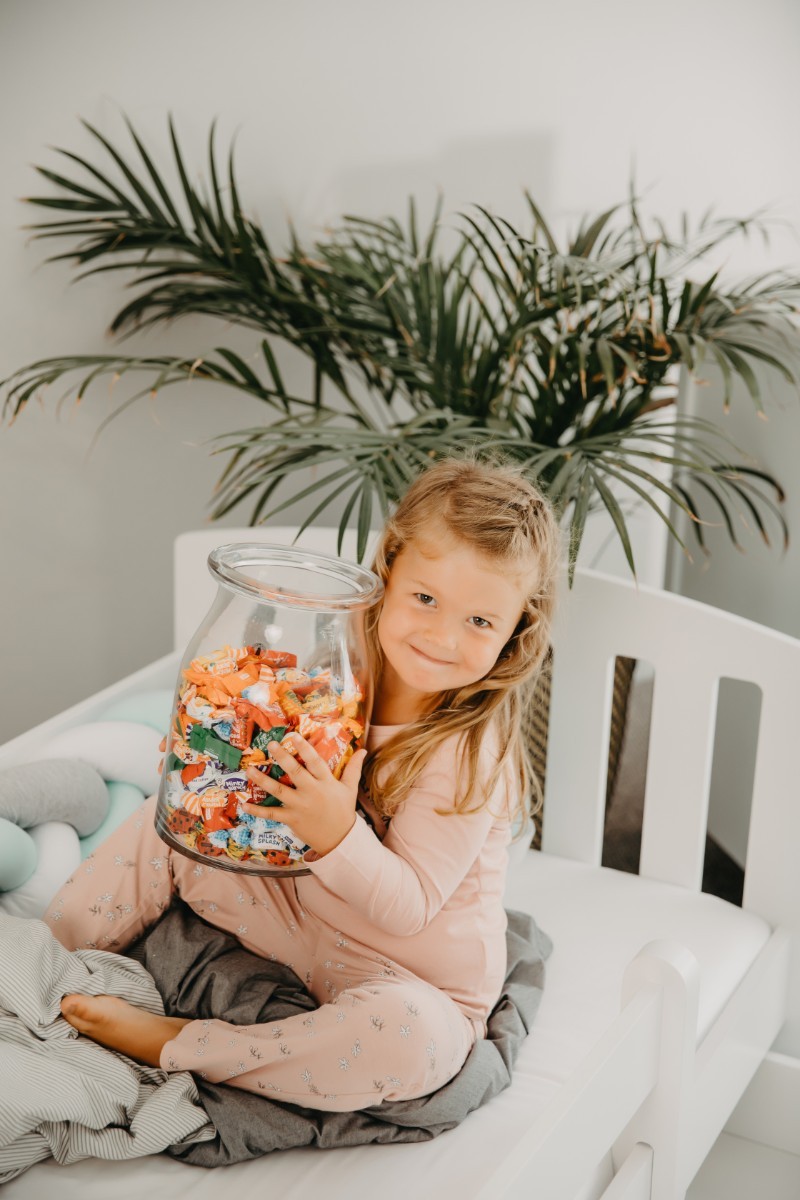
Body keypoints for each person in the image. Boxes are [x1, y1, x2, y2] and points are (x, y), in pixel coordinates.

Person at [45, 455, 561, 1113]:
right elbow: (265, 779)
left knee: (408, 1042)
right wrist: (212, 764)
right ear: (388, 571)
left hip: (411, 983)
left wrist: (336, 833)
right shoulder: (341, 673)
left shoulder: (469, 753)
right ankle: (46, 958)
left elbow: (408, 908)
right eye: (426, 599)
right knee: (168, 819)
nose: (442, 636)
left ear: (516, 632)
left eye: (480, 621)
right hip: (298, 921)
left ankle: (182, 1045)